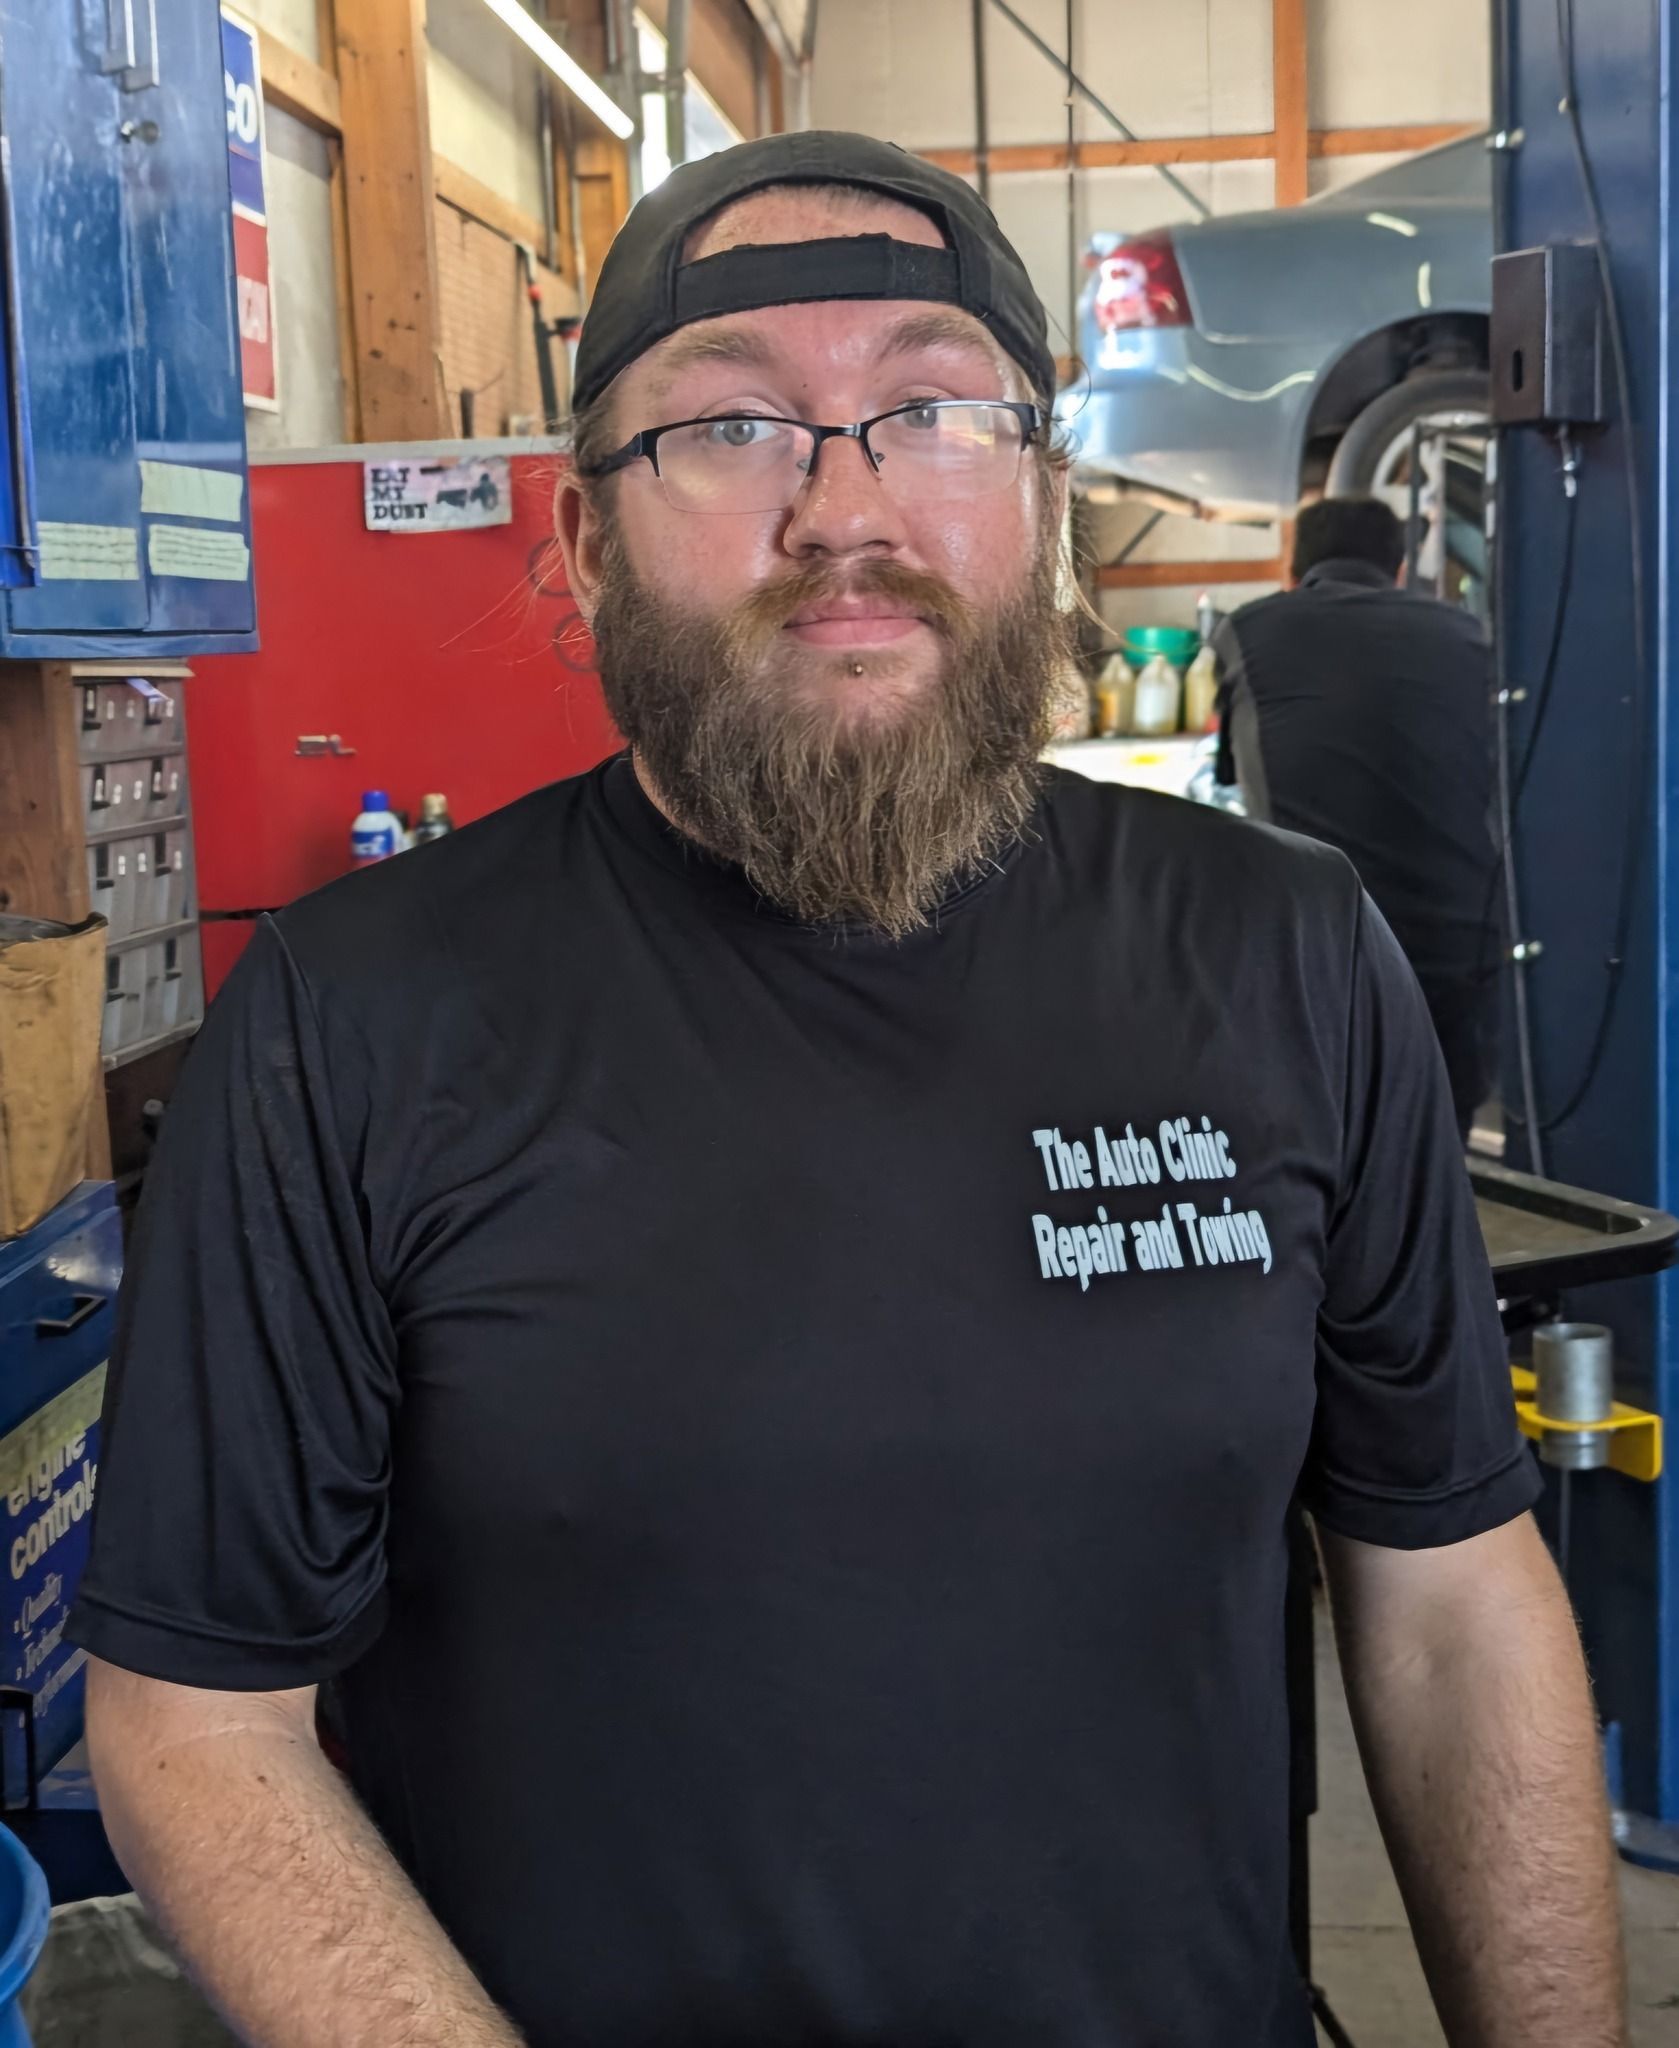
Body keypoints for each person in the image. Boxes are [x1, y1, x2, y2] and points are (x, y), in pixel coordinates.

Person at [76, 134, 1622, 2048]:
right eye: (730, 428)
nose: (841, 507)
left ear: (1039, 494)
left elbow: (1452, 1596)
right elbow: (195, 1715)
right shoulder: (353, 1017)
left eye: (929, 407)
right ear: (579, 544)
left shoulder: (1283, 953)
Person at [1215, 496, 1501, 1141]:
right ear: (1398, 567)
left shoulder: (1247, 629)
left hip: (1318, 948)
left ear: (1296, 567)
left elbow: (1231, 773)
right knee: (1441, 1152)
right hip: (1459, 945)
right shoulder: (1468, 634)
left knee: (1317, 1145)